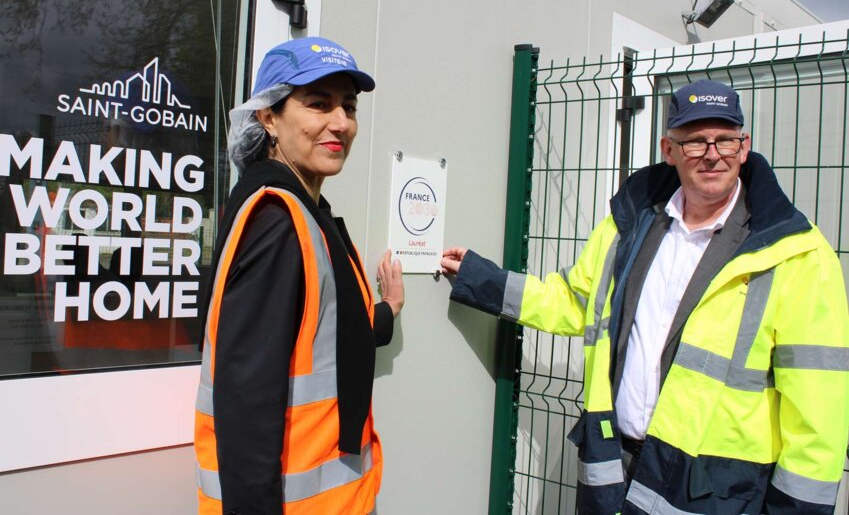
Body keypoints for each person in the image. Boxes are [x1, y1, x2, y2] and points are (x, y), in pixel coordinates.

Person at [441, 79, 849, 514]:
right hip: (613, 467)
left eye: (726, 140)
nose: (712, 154)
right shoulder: (633, 223)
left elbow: (818, 418)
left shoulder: (797, 254)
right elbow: (577, 301)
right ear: (668, 150)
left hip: (713, 495)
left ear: (744, 147)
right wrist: (482, 279)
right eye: (694, 142)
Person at [194, 37, 404, 515]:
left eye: (348, 107)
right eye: (318, 104)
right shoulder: (277, 221)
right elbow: (246, 401)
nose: (341, 123)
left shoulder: (305, 211)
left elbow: (327, 336)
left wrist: (386, 310)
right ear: (268, 117)